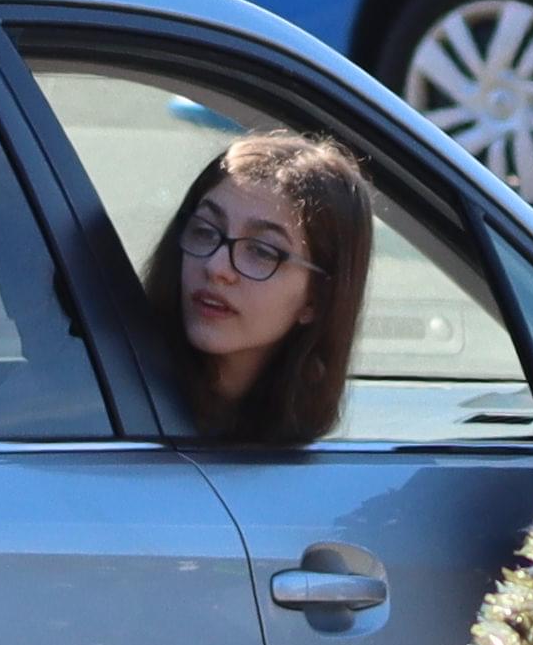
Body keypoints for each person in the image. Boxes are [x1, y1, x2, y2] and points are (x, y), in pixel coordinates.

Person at [161, 129, 376, 447]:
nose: (216, 268)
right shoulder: (107, 390)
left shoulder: (305, 449)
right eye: (205, 231)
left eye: (261, 251)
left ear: (316, 299)